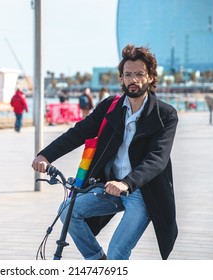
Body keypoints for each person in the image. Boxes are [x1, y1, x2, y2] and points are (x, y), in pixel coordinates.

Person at [32, 44, 178, 260]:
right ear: (122, 78)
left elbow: (157, 158)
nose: (133, 80)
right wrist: (46, 155)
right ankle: (97, 261)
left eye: (139, 74)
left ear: (150, 78)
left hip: (142, 192)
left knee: (118, 251)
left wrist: (127, 183)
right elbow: (78, 132)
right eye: (128, 74)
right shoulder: (111, 107)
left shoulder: (165, 115)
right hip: (109, 187)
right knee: (67, 210)